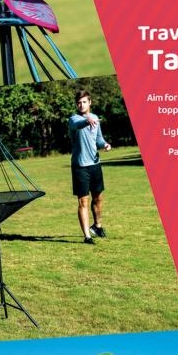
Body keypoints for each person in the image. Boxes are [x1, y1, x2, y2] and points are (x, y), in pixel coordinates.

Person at [68, 89, 111, 244]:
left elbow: (98, 139)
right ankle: (87, 236)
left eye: (84, 102)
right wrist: (87, 121)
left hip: (95, 165)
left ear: (90, 102)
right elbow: (78, 125)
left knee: (98, 198)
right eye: (79, 102)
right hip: (80, 166)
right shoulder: (73, 119)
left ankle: (97, 226)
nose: (81, 105)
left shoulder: (95, 118)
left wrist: (104, 144)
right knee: (83, 201)